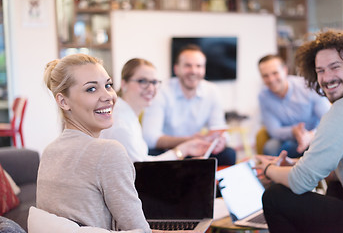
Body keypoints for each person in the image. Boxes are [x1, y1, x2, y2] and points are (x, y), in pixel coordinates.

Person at [255, 29, 343, 232]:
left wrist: (268, 169)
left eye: (334, 67)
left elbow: (300, 182)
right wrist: (296, 164)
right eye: (320, 70)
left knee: (275, 196)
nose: (326, 78)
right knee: (336, 187)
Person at [36, 54, 151, 232]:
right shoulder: (108, 151)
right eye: (91, 89)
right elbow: (140, 230)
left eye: (108, 85)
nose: (108, 96)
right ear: (63, 101)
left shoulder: (50, 151)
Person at [141, 44, 236, 166]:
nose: (194, 71)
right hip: (169, 151)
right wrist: (187, 141)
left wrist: (220, 141)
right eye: (187, 65)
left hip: (197, 149)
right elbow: (150, 138)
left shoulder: (212, 91)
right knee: (151, 154)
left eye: (199, 66)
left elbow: (220, 128)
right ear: (176, 69)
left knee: (229, 154)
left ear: (204, 69)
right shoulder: (160, 91)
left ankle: (215, 185)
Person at [101, 58, 210, 162]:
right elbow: (143, 168)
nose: (151, 88)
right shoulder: (120, 123)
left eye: (154, 82)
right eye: (143, 81)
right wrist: (182, 151)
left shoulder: (128, 114)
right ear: (124, 84)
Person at [258, 54, 331, 158]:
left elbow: (329, 120)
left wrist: (310, 136)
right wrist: (293, 131)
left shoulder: (308, 87)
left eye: (275, 73)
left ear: (285, 70)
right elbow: (274, 130)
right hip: (288, 138)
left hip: (316, 135)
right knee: (270, 148)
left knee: (319, 146)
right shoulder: (263, 96)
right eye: (265, 76)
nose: (271, 79)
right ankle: (276, 173)